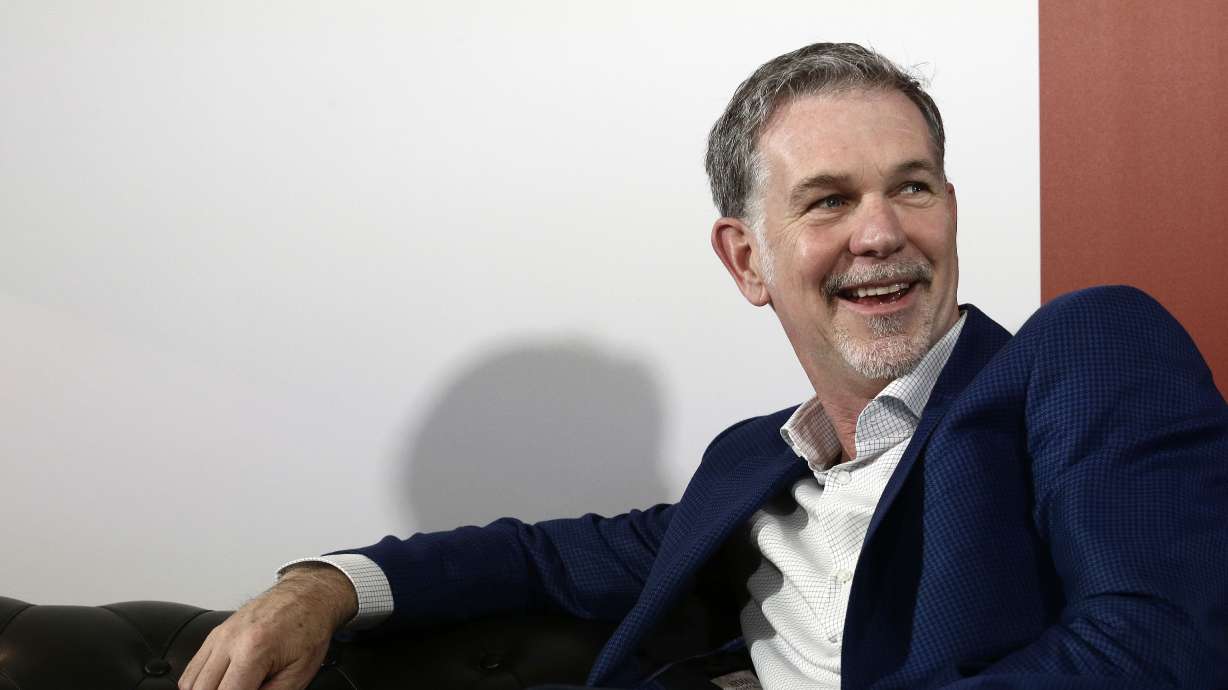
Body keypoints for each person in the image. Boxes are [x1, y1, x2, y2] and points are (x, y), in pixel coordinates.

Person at [177, 43, 1228, 690]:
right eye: (828, 200)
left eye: (912, 188)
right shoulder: (750, 468)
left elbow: (1155, 647)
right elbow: (543, 559)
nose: (881, 233)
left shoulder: (1081, 354)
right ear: (747, 260)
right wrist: (323, 586)